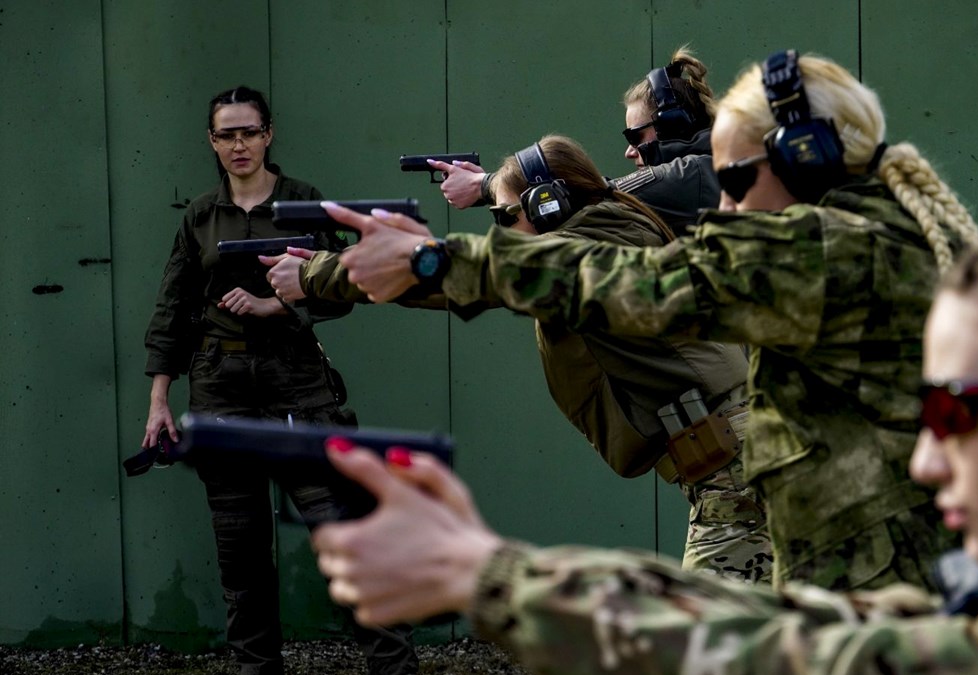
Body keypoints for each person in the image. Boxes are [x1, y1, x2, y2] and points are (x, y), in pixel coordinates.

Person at [312, 201, 978, 675]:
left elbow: (814, 661)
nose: (928, 459)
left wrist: (486, 576)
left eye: (957, 412)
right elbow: (802, 621)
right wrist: (485, 564)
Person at [318, 50, 978, 590]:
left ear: (804, 157)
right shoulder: (884, 230)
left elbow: (627, 282)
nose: (722, 206)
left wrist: (430, 263)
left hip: (865, 552)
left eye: (735, 180)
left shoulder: (813, 251)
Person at [278, 134, 774, 582]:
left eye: (504, 217)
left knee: (705, 645)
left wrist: (321, 275)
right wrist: (493, 189)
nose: (501, 231)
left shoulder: (591, 246)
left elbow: (480, 275)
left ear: (551, 205)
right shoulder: (609, 226)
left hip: (738, 474)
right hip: (742, 461)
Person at [141, 85, 416, 675]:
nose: (238, 145)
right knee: (241, 555)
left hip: (295, 382)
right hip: (220, 387)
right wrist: (159, 399)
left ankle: (396, 673)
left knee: (344, 538)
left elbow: (350, 283)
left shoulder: (303, 204)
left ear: (268, 135)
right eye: (226, 134)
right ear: (212, 142)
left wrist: (279, 306)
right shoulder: (200, 215)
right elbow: (172, 308)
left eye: (248, 132)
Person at [427, 46, 719, 233]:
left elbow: (594, 195)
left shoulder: (694, 175)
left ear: (673, 126)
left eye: (636, 135)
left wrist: (487, 185)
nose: (630, 151)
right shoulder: (707, 172)